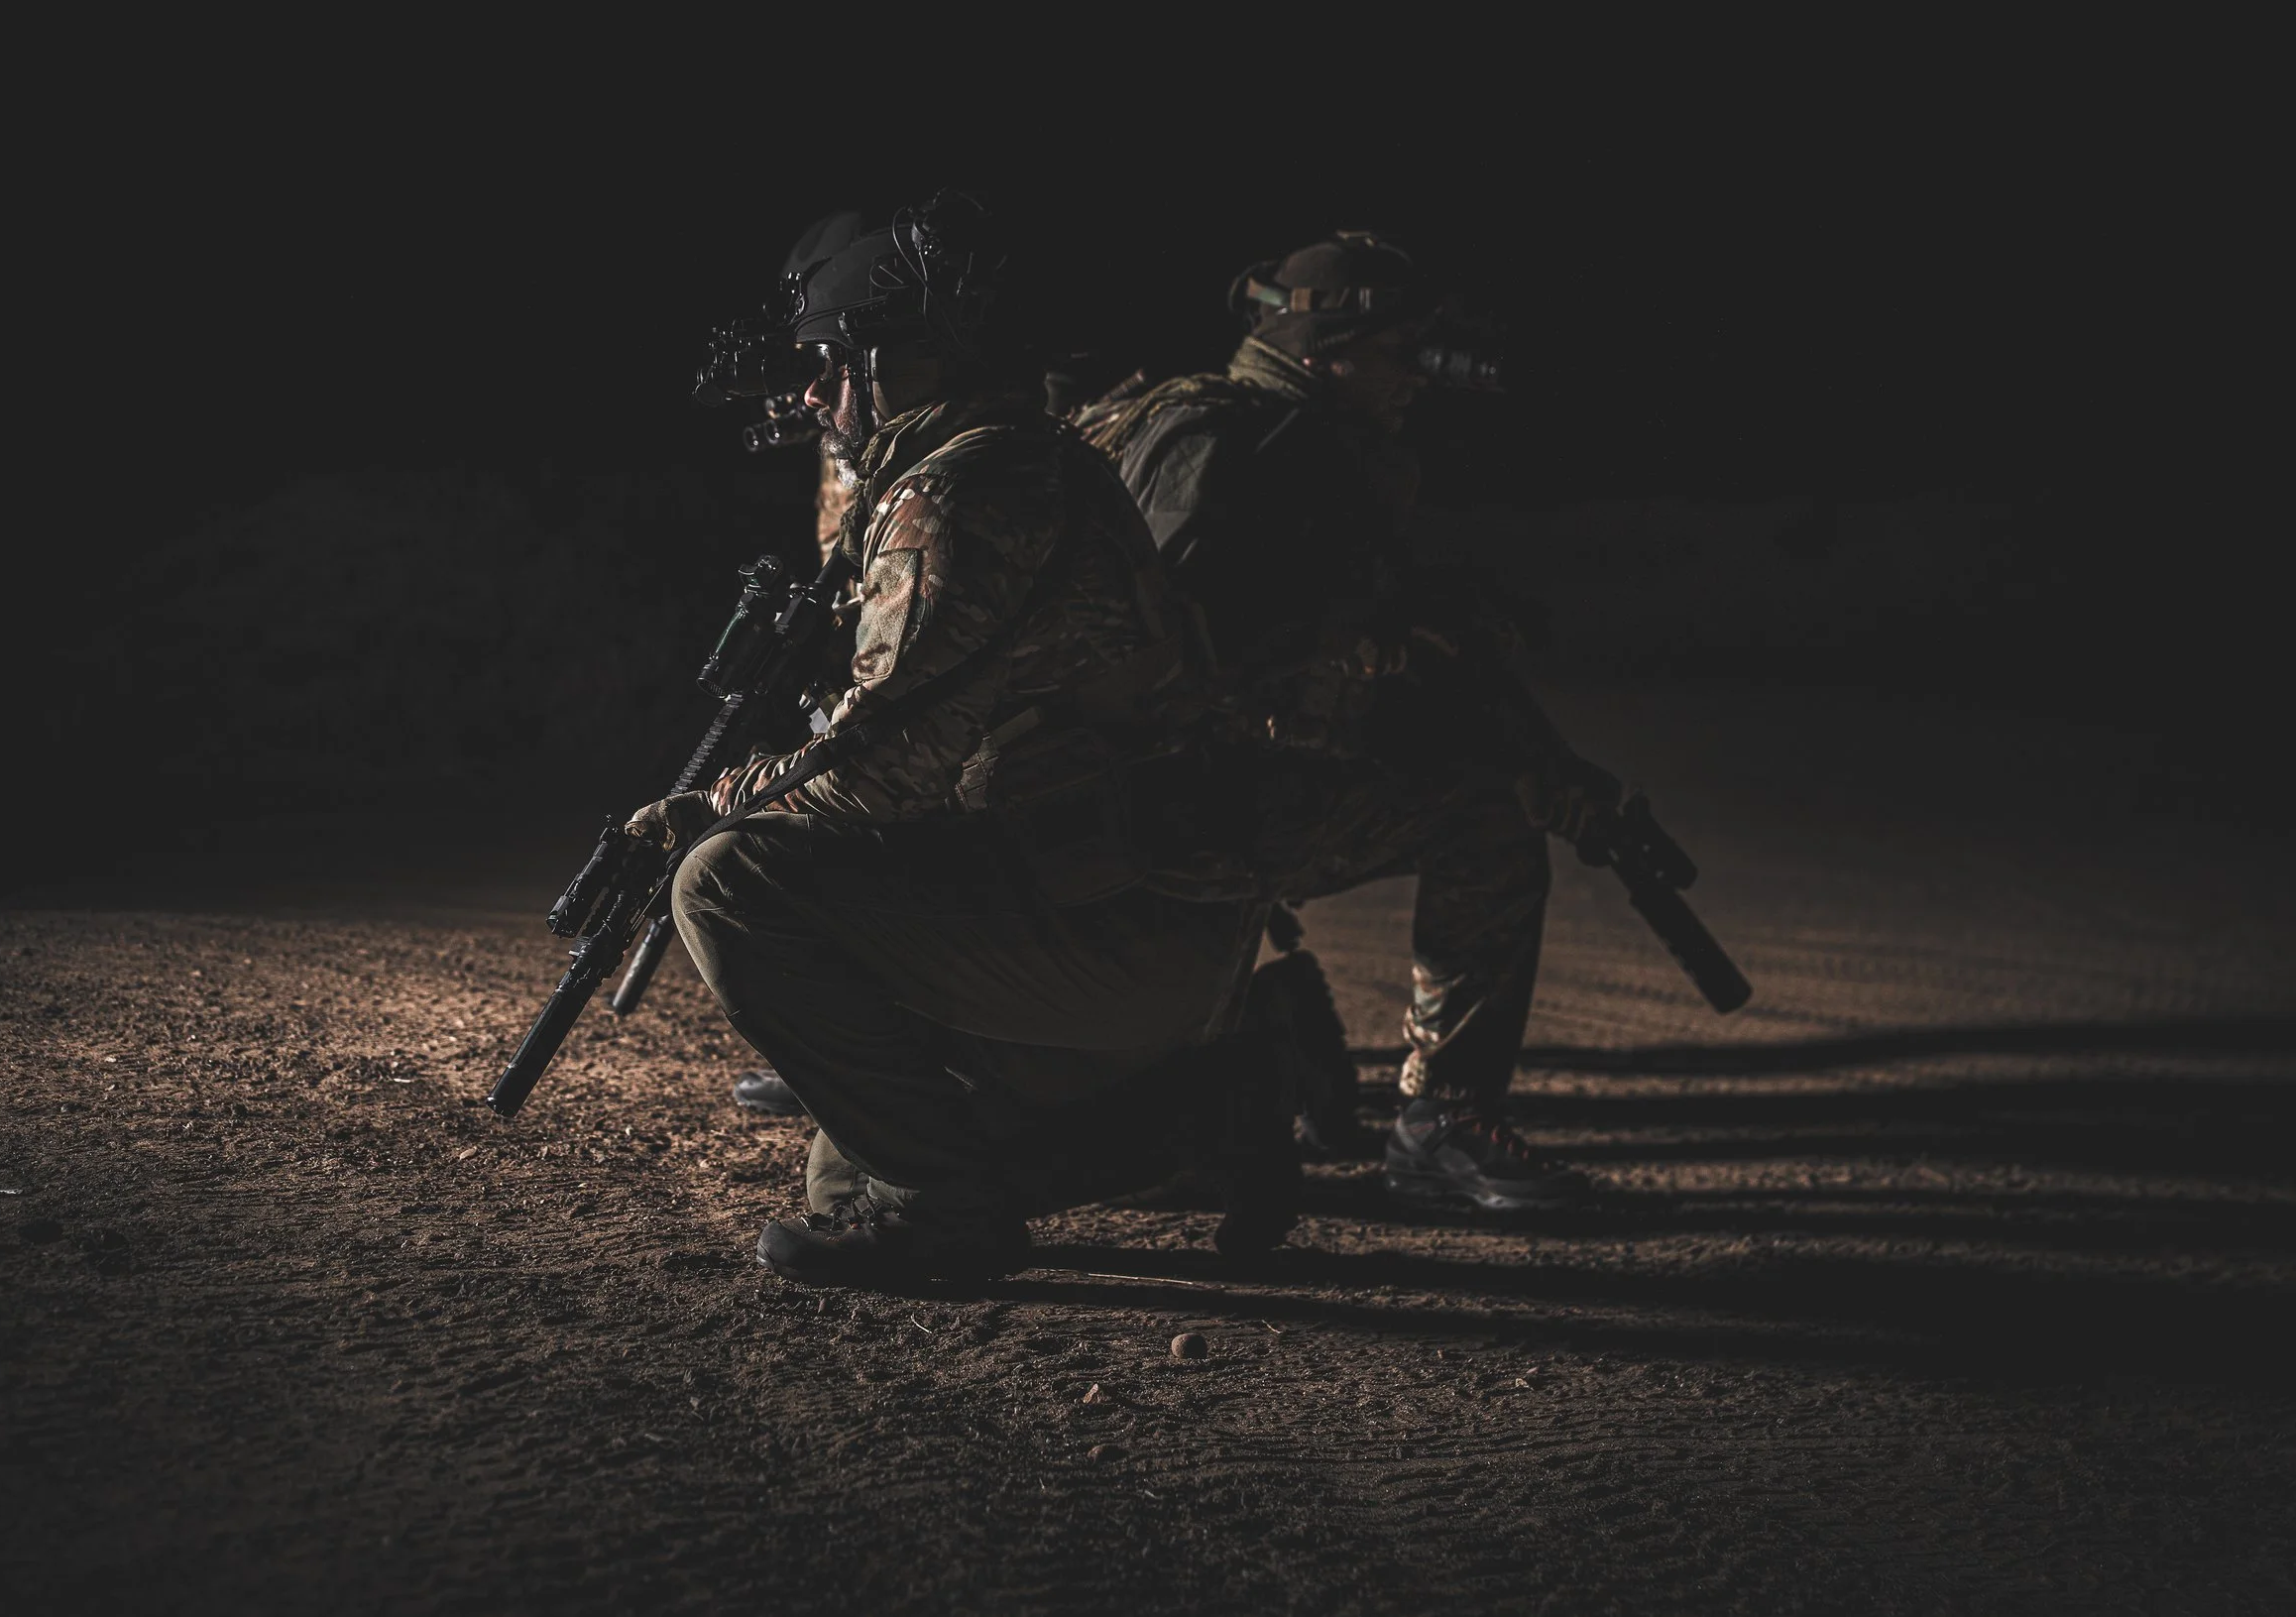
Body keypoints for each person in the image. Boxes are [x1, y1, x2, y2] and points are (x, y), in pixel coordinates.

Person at [631, 194, 1277, 1286]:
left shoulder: (962, 494)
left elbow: (879, 773)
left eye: (832, 363)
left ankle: (954, 1212)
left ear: (906, 363)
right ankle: (1205, 1108)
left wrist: (720, 799)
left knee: (728, 883)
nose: (812, 391)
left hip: (1118, 925)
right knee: (842, 1181)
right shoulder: (1024, 459)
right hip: (1139, 906)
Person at [1077, 232, 1624, 1211]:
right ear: (1325, 348)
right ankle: (1436, 1122)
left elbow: (1366, 656)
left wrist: (1531, 747)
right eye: (1399, 349)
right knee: (1482, 822)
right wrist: (1358, 633)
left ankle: (1303, 1062)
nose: (1420, 376)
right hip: (1147, 818)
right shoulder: (1226, 440)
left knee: (1480, 791)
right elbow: (1144, 653)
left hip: (1207, 801)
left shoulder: (1319, 449)